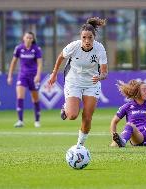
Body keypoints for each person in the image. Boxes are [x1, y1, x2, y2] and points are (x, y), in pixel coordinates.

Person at [48, 17, 108, 147]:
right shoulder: (73, 46)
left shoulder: (100, 49)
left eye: (90, 38)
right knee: (72, 116)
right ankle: (66, 107)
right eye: (84, 37)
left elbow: (104, 72)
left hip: (92, 83)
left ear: (94, 37)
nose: (87, 41)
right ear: (81, 37)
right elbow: (60, 57)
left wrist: (100, 77)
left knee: (87, 117)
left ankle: (80, 145)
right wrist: (54, 74)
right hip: (73, 81)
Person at [110, 80, 146, 147]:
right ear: (137, 92)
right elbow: (114, 122)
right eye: (144, 90)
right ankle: (122, 141)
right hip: (138, 137)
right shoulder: (127, 106)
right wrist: (113, 139)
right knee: (129, 125)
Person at [7, 31, 43, 128]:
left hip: (33, 76)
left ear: (33, 39)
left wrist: (38, 75)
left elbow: (39, 64)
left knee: (35, 98)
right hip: (22, 75)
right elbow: (13, 62)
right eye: (27, 37)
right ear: (23, 38)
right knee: (20, 96)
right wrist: (10, 76)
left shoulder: (36, 49)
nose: (28, 39)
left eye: (30, 38)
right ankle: (20, 120)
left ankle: (37, 120)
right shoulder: (19, 48)